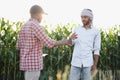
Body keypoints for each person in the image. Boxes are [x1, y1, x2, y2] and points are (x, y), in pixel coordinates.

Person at [16, 5, 77, 80]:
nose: (42, 17)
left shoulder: (24, 26)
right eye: (41, 15)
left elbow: (18, 46)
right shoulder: (36, 26)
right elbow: (49, 43)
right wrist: (64, 41)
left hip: (26, 65)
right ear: (37, 14)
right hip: (34, 65)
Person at [69, 9, 101, 80]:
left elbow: (97, 49)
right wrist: (70, 39)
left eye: (85, 17)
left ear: (90, 18)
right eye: (82, 17)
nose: (83, 19)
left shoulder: (96, 32)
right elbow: (70, 43)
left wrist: (95, 65)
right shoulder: (77, 29)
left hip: (88, 63)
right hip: (75, 63)